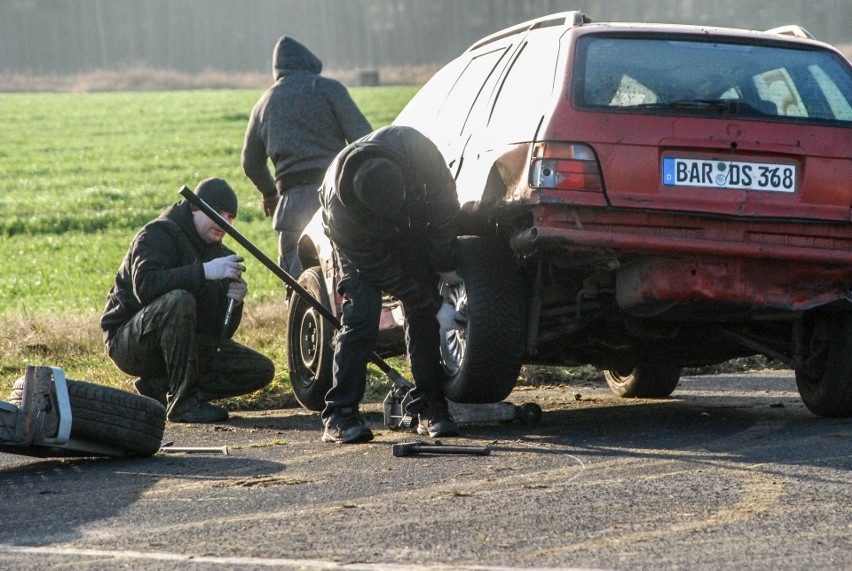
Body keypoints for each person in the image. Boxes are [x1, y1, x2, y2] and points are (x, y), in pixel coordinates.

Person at [319, 125, 468, 443]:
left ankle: (430, 407)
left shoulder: (415, 147)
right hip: (364, 241)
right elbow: (380, 270)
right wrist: (437, 303)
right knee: (362, 312)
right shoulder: (341, 213)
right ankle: (339, 416)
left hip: (412, 223)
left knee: (422, 312)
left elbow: (444, 201)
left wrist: (443, 261)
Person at [100, 178, 275, 423]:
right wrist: (203, 272)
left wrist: (233, 304)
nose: (225, 224)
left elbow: (217, 335)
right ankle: (184, 404)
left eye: (231, 218)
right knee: (178, 300)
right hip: (129, 341)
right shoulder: (157, 233)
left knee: (260, 370)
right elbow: (146, 287)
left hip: (184, 346)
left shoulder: (221, 255)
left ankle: (161, 387)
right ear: (197, 208)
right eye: (219, 214)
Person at [241, 35, 372, 278]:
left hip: (292, 205)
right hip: (337, 195)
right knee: (351, 277)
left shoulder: (263, 105)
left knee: (300, 283)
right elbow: (364, 140)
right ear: (309, 62)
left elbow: (250, 163)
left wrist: (270, 193)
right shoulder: (328, 89)